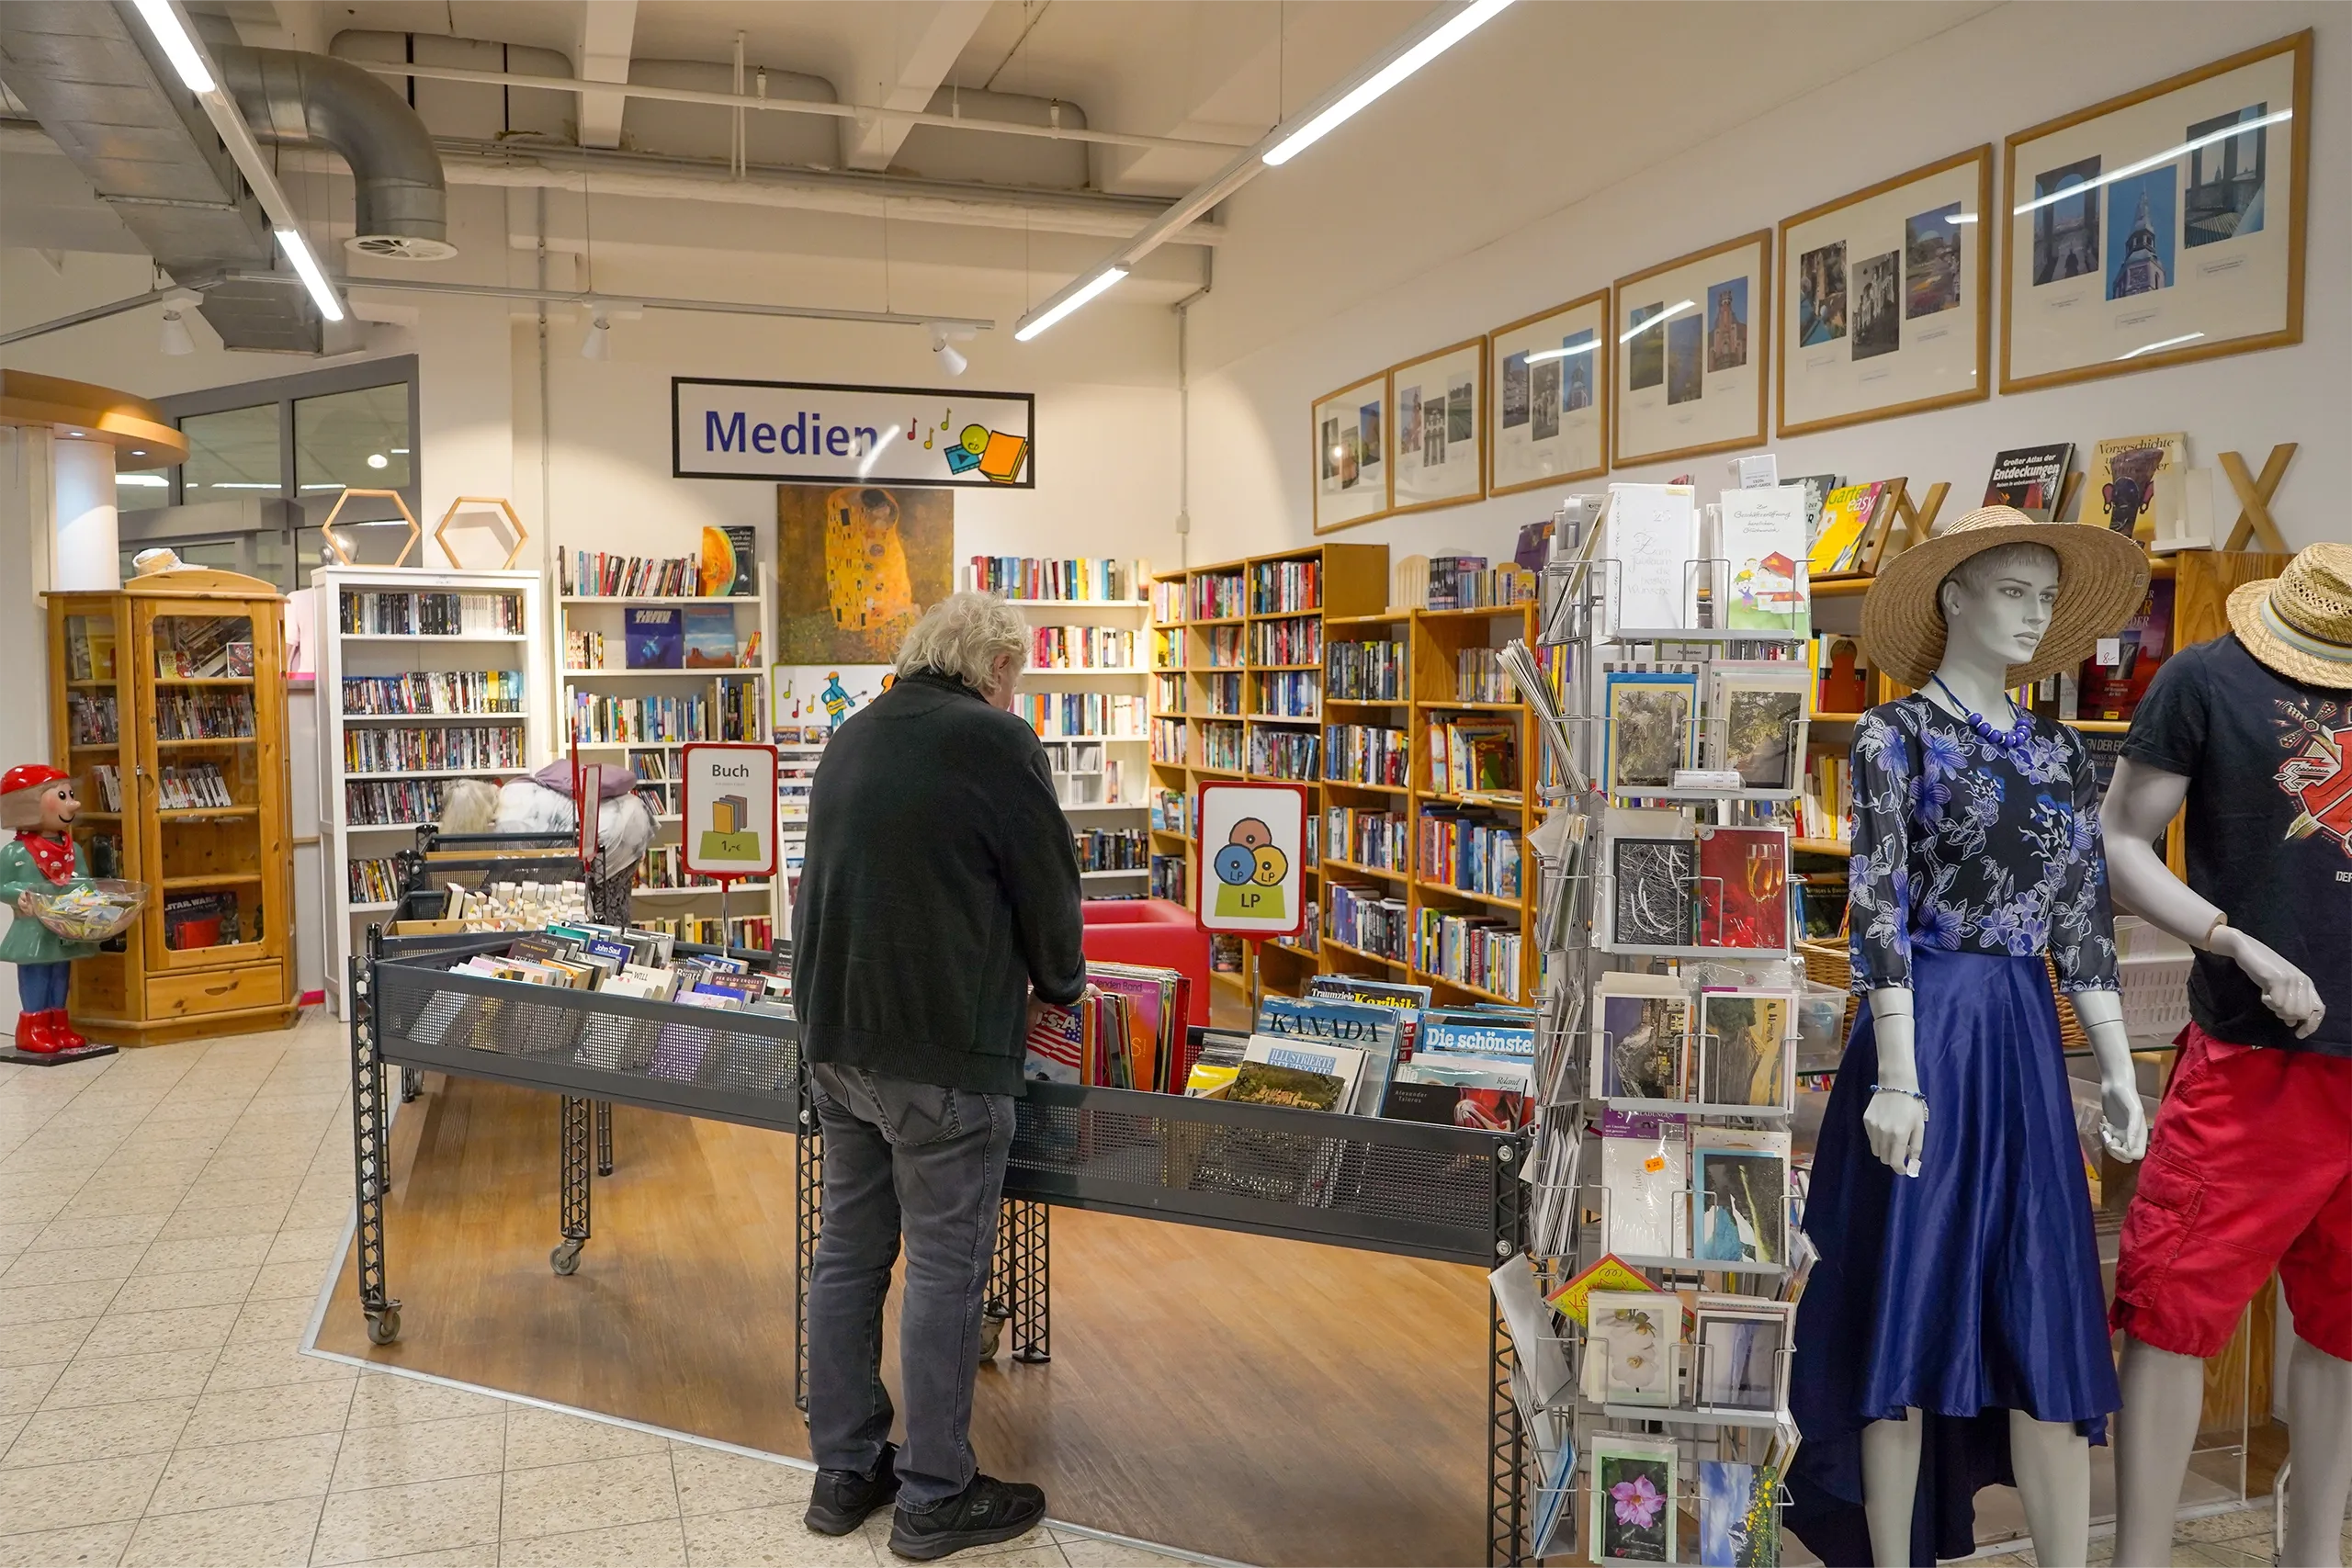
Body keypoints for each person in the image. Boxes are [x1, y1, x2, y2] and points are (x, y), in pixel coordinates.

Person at [1787, 507, 2152, 1568]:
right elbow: (1878, 905)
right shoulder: (1892, 736)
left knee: (2041, 1302)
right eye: (2012, 592)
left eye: (2046, 597)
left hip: (2023, 1041)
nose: (2033, 615)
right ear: (1954, 597)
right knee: (1908, 1291)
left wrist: (2120, 1072)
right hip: (1927, 1034)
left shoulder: (2059, 748)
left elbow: (2081, 924)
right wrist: (1895, 1075)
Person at [791, 591, 1088, 1562]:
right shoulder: (997, 744)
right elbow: (1047, 885)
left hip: (838, 1043)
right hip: (944, 1056)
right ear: (994, 666)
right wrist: (1063, 983)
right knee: (947, 1272)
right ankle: (934, 1494)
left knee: (847, 1256)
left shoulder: (851, 735)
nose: (1016, 695)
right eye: (1016, 678)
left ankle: (844, 1471)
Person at [2101, 544, 2352, 1568]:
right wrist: (2229, 938)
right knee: (2171, 1306)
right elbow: (2119, 837)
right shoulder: (2205, 677)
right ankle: (2140, 1555)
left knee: (2343, 1331)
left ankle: (2315, 1548)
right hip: (2255, 1058)